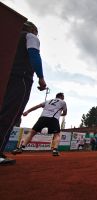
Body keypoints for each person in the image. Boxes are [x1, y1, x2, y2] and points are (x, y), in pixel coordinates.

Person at [0, 21, 47, 166]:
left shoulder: (12, 39)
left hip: (7, 76)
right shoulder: (30, 37)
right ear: (33, 29)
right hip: (20, 78)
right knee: (10, 114)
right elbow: (34, 55)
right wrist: (41, 78)